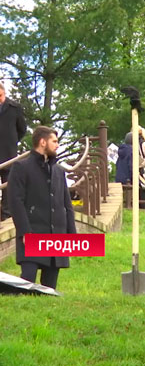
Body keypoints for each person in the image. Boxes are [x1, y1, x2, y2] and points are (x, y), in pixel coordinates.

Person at [8, 126, 75, 289]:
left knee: (50, 290)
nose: (57, 145)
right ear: (42, 142)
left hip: (56, 237)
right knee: (26, 284)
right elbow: (15, 202)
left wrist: (71, 235)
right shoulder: (21, 168)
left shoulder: (59, 171)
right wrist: (25, 231)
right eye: (55, 141)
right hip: (32, 232)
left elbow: (67, 205)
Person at [0, 82, 27, 221]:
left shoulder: (15, 108)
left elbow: (22, 129)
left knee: (7, 185)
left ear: (3, 92)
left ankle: (6, 215)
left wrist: (11, 141)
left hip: (7, 152)